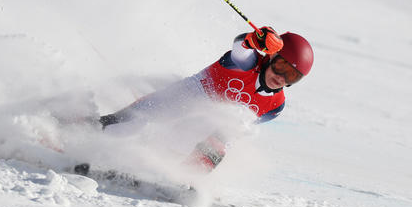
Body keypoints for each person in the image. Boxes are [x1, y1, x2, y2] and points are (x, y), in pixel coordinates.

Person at [97, 26, 314, 172]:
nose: (281, 77)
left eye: (292, 76)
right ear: (271, 56)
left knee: (226, 133)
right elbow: (241, 48)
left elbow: (241, 128)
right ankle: (87, 131)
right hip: (192, 95)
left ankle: (186, 177)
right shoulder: (247, 63)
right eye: (281, 66)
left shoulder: (275, 107)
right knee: (139, 119)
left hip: (204, 123)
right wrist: (252, 39)